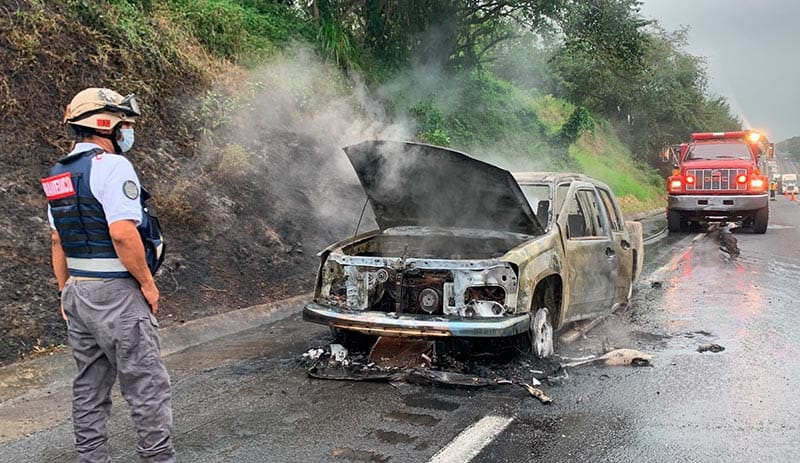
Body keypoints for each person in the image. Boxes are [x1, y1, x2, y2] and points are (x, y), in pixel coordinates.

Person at [40, 88, 174, 463]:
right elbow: (122, 232)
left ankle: (91, 459)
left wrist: (64, 291)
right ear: (107, 124)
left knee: (89, 386)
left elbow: (57, 240)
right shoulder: (113, 167)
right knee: (146, 384)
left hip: (78, 293)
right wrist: (148, 283)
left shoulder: (58, 174)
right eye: (125, 124)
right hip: (116, 294)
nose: (128, 132)